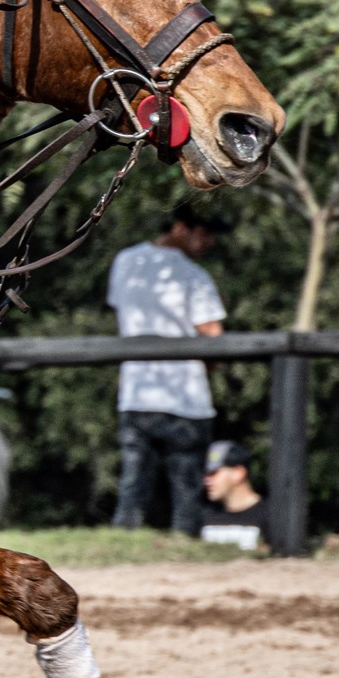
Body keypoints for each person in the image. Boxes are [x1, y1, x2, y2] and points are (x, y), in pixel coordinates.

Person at [107, 202, 230, 536]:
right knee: (187, 487)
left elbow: (121, 309)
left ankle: (123, 541)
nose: (209, 242)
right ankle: (184, 543)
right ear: (180, 228)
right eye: (204, 233)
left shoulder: (126, 261)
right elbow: (212, 334)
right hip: (185, 396)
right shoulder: (194, 275)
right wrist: (212, 367)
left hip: (136, 392)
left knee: (133, 484)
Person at [199, 440, 268, 550]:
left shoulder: (269, 516)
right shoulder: (206, 516)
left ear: (238, 473)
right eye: (206, 474)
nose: (206, 481)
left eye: (213, 473)